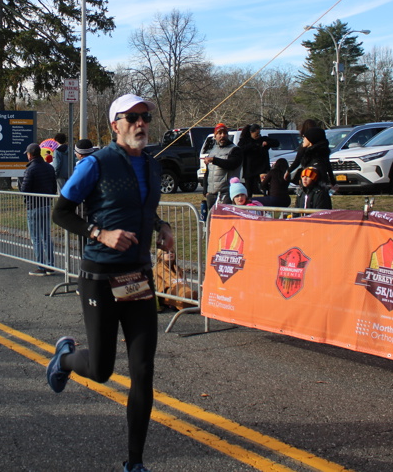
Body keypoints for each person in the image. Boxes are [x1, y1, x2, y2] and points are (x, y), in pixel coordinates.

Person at [48, 93, 173, 472]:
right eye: (132, 117)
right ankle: (65, 358)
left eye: (145, 116)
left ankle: (135, 463)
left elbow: (143, 209)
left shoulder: (152, 165)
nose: (141, 123)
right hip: (100, 276)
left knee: (143, 370)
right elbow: (61, 212)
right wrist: (99, 233)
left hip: (138, 276)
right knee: (102, 371)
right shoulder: (96, 163)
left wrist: (162, 227)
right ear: (114, 125)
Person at [21, 142, 57, 276]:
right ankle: (50, 265)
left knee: (36, 237)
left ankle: (41, 266)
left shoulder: (30, 169)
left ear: (30, 155)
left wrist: (26, 200)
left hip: (34, 206)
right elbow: (54, 186)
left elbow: (25, 189)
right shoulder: (49, 167)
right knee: (46, 236)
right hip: (45, 204)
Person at [203, 123, 242, 210]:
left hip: (226, 193)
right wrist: (205, 191)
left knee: (224, 217)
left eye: (225, 133)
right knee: (212, 218)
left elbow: (231, 164)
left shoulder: (235, 150)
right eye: (219, 133)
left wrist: (214, 160)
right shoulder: (212, 151)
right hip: (211, 194)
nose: (222, 135)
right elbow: (208, 172)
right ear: (215, 136)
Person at [237, 123, 278, 196]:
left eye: (259, 133)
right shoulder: (245, 141)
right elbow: (240, 149)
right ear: (251, 132)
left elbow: (277, 143)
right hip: (249, 169)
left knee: (265, 188)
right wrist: (254, 145)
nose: (258, 135)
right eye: (256, 134)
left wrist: (267, 143)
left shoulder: (263, 139)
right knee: (249, 191)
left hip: (262, 169)